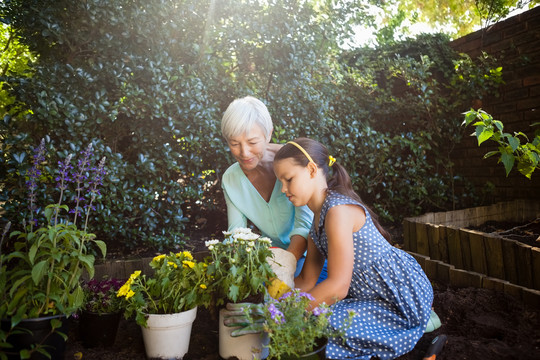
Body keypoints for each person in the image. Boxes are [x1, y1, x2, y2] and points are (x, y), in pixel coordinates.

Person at [272, 137, 434, 360]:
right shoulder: (315, 223)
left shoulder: (337, 211)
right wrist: (273, 303)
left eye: (288, 179)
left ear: (311, 169)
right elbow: (307, 281)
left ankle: (419, 342)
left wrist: (293, 314)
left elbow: (338, 287)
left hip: (399, 295)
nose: (283, 189)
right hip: (369, 297)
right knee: (318, 323)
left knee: (325, 322)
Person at [220, 96, 326, 280]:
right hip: (272, 258)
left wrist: (286, 264)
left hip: (312, 257)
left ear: (268, 133)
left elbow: (305, 226)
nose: (244, 152)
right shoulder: (231, 179)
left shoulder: (296, 163)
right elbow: (236, 233)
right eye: (234, 144)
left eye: (252, 142)